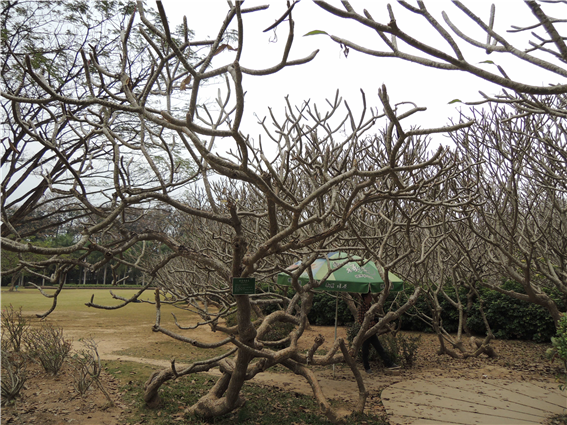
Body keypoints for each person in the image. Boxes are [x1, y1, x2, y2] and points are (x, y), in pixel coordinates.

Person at [357, 291, 400, 373]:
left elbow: (373, 318)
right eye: (369, 296)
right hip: (365, 332)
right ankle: (367, 368)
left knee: (379, 348)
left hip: (372, 331)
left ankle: (389, 364)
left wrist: (376, 321)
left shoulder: (371, 306)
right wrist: (370, 324)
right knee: (365, 351)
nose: (371, 298)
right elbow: (359, 321)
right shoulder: (361, 308)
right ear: (365, 298)